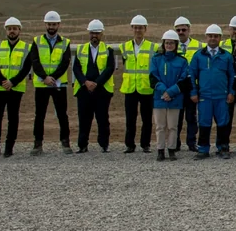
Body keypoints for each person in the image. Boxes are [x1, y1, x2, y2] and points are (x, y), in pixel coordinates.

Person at [25, 10, 73, 155]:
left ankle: (65, 143)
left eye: (54, 24)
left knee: (62, 114)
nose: (51, 27)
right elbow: (35, 61)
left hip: (59, 84)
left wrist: (53, 77)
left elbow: (65, 62)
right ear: (45, 24)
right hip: (42, 84)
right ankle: (37, 144)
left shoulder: (65, 42)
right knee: (40, 114)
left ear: (58, 25)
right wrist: (45, 77)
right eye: (49, 24)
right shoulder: (37, 41)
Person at [189, 24, 236, 159]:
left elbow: (232, 75)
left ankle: (223, 147)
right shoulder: (198, 56)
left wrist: (231, 91)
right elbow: (191, 75)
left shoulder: (226, 56)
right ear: (206, 37)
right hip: (204, 96)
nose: (213, 39)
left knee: (223, 122)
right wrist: (193, 92)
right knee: (204, 122)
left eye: (216, 36)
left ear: (220, 38)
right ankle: (203, 149)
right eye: (210, 36)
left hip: (221, 96)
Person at [0, 17, 30, 158]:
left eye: (15, 28)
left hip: (16, 88)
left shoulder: (26, 48)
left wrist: (12, 82)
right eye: (9, 28)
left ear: (19, 30)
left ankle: (9, 147)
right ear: (6, 30)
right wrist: (3, 81)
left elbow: (26, 68)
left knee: (13, 118)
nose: (12, 31)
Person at [73, 19, 116, 153]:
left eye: (97, 33)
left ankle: (104, 144)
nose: (94, 36)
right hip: (84, 89)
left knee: (102, 119)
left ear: (102, 34)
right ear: (89, 33)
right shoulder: (80, 49)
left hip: (102, 90)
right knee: (84, 119)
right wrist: (85, 82)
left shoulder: (108, 50)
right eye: (92, 33)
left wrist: (96, 83)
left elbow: (110, 68)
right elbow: (76, 69)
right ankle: (82, 145)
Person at [149, 29, 189, 161]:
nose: (169, 45)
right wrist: (164, 91)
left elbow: (184, 80)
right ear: (163, 44)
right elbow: (153, 77)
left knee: (173, 126)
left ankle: (172, 150)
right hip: (160, 97)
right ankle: (160, 150)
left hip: (175, 98)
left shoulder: (182, 61)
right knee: (160, 126)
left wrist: (171, 92)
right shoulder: (156, 59)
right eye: (167, 43)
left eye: (172, 43)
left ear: (176, 44)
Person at [119, 15, 154, 154]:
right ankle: (130, 145)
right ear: (132, 29)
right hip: (130, 88)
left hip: (146, 88)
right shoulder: (124, 46)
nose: (138, 30)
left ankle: (145, 144)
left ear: (145, 29)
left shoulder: (153, 47)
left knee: (147, 119)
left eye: (140, 28)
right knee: (130, 119)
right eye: (135, 27)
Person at [172, 16, 203, 152]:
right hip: (177, 87)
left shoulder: (200, 46)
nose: (181, 32)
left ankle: (191, 142)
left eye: (183, 29)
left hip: (192, 87)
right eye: (178, 30)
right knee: (176, 118)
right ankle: (176, 143)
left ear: (189, 29)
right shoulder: (171, 45)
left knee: (191, 117)